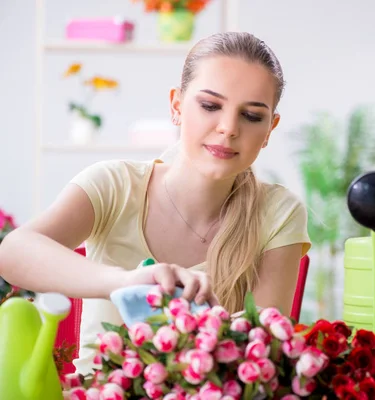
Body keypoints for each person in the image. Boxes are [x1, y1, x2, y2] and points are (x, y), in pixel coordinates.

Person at [0, 32, 311, 375]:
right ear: (177, 106)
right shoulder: (113, 185)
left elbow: (263, 359)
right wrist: (124, 282)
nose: (228, 128)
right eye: (210, 106)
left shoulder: (279, 212)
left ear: (270, 129)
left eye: (252, 116)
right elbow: (12, 253)